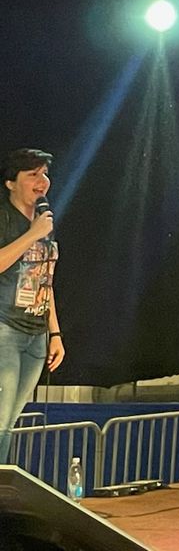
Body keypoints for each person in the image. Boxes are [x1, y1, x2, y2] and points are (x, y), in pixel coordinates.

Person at [0, 148, 63, 465]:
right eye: (32, 174)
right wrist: (33, 234)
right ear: (11, 183)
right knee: (0, 419)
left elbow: (45, 280)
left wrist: (55, 334)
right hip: (5, 330)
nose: (42, 181)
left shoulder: (44, 221)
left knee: (8, 422)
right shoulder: (4, 218)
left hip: (36, 334)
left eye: (44, 174)